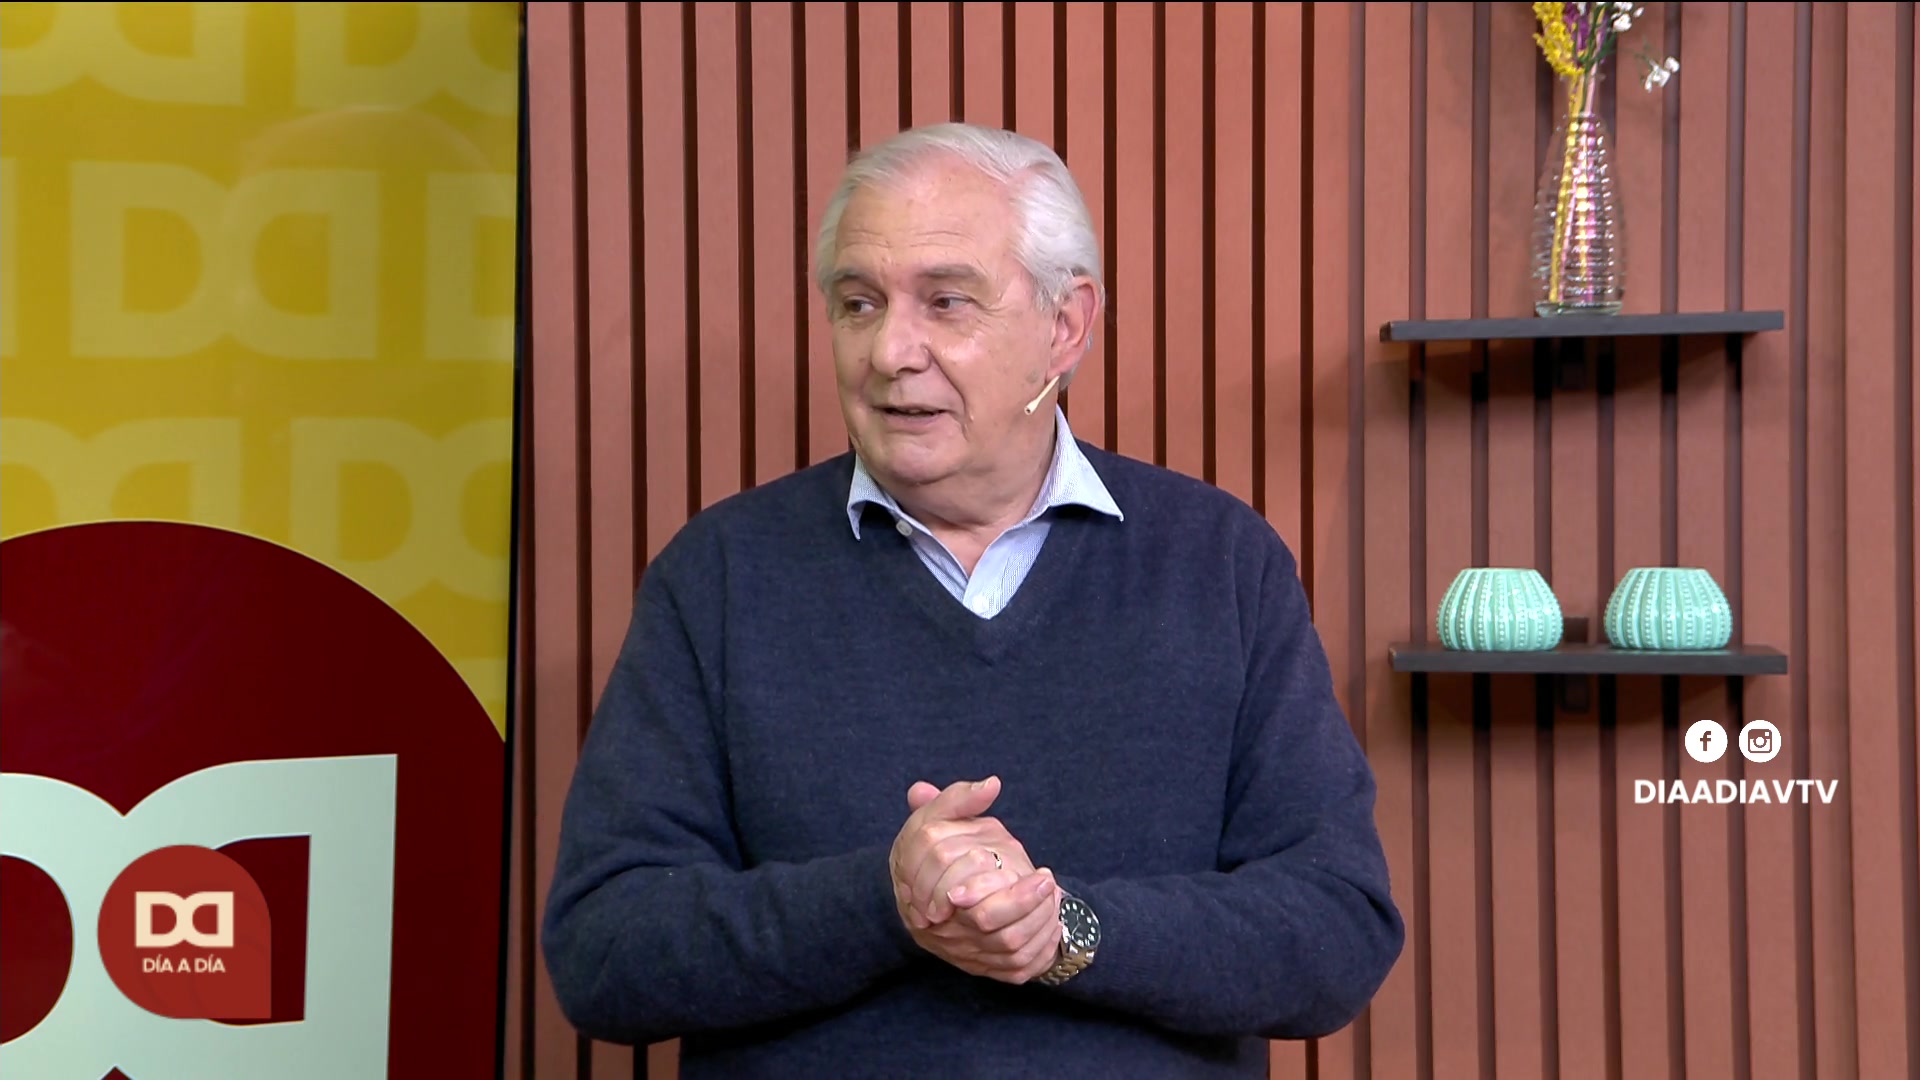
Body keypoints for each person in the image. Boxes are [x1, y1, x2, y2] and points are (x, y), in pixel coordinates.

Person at [540, 122, 1404, 1078]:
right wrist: (887, 900)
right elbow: (602, 951)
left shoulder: (1221, 563)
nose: (889, 351)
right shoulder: (719, 576)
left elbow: (1339, 930)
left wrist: (1064, 930)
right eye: (858, 304)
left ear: (1066, 326)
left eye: (947, 302)